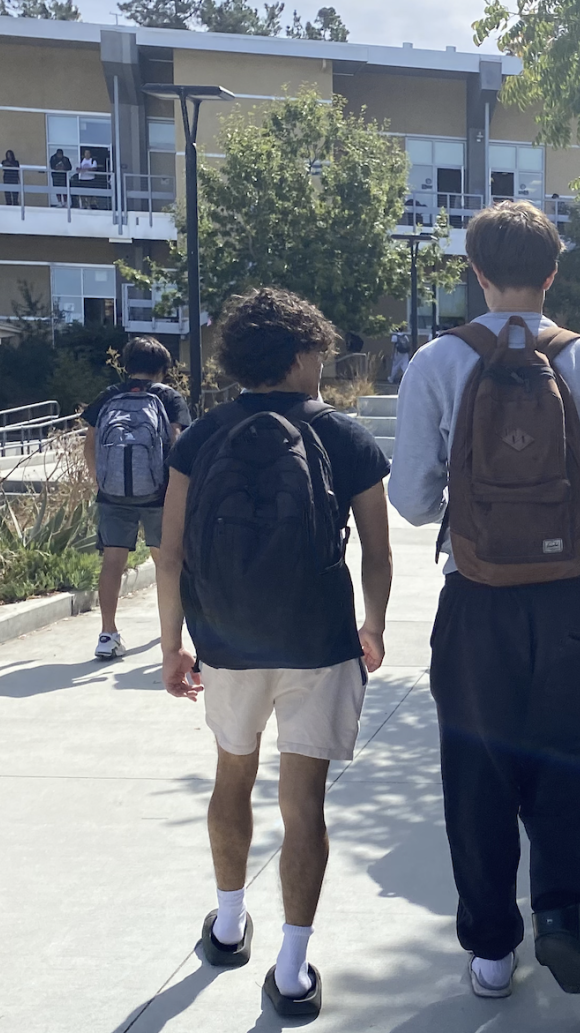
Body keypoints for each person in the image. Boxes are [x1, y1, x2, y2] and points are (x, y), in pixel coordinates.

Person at [388, 200, 580, 999]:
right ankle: (563, 914)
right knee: (566, 769)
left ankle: (490, 951)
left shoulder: (438, 361)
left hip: (475, 599)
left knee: (476, 775)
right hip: (570, 597)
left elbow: (409, 500)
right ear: (552, 273)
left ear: (474, 272)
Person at [156, 287, 393, 1018]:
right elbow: (378, 553)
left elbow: (168, 555)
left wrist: (173, 647)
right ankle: (292, 971)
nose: (323, 361)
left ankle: (228, 925)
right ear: (297, 355)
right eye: (318, 349)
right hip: (318, 642)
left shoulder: (199, 437)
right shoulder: (344, 436)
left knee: (233, 773)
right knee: (304, 804)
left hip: (225, 639)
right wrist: (374, 623)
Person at [82, 336, 190, 660]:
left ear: (127, 366)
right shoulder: (168, 397)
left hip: (112, 493)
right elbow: (177, 442)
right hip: (159, 493)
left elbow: (90, 443)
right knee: (168, 563)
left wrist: (101, 480)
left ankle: (107, 633)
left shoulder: (109, 396)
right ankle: (170, 634)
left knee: (112, 562)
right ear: (161, 369)